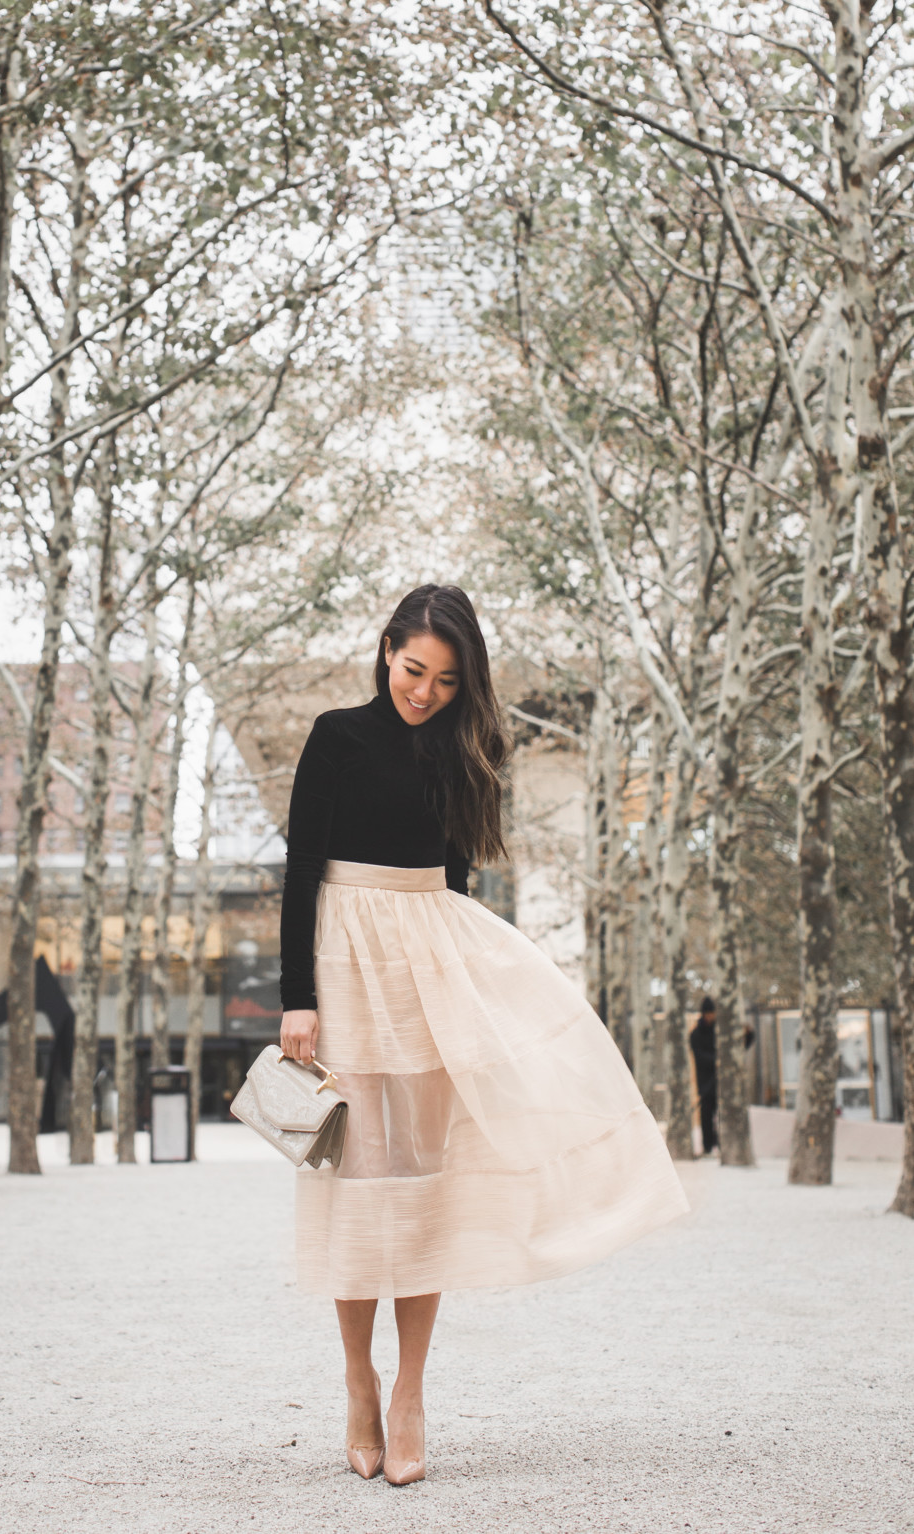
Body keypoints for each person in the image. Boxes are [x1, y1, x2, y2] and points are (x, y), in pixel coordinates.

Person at [279, 584, 688, 1485]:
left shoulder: (467, 748)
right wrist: (295, 996)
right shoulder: (336, 735)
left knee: (426, 1177)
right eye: (413, 668)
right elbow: (302, 866)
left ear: (468, 684)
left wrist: (476, 999)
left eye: (445, 680)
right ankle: (357, 1380)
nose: (423, 691)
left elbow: (456, 881)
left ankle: (411, 1392)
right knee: (355, 1176)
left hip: (431, 958)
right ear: (387, 648)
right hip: (345, 964)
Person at [689, 998, 718, 1155]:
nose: (710, 1017)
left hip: (719, 1081)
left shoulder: (719, 1030)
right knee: (706, 1116)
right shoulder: (696, 1033)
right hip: (705, 1081)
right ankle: (708, 1146)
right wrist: (716, 1061)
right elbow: (699, 1056)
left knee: (719, 1117)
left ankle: (718, 1143)